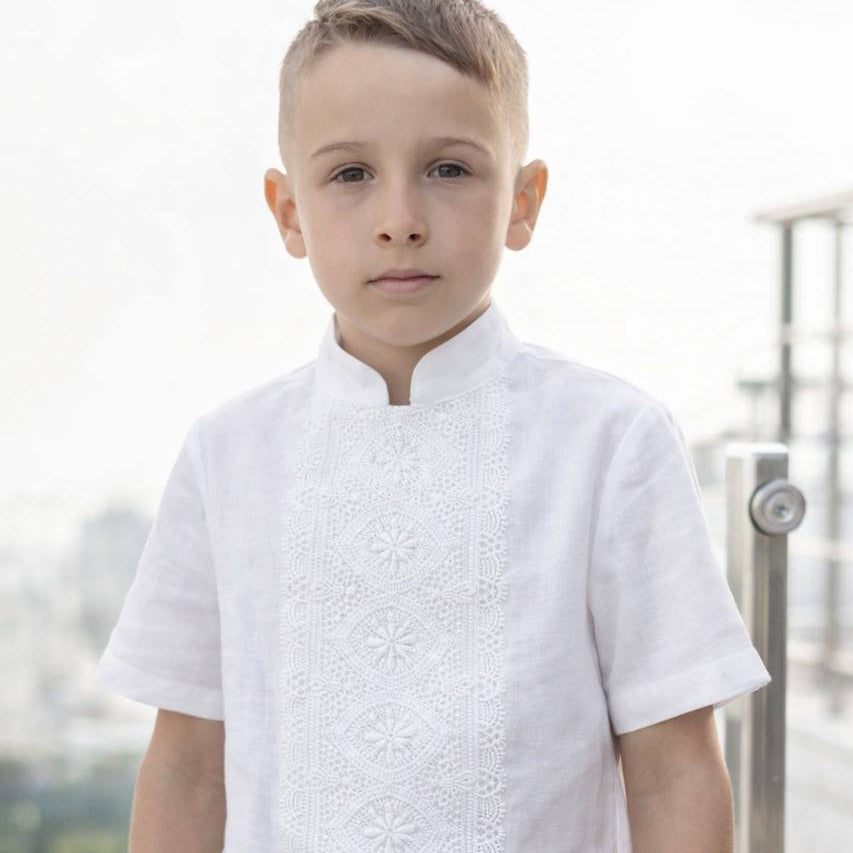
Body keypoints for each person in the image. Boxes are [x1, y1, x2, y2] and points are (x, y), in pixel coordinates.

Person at [96, 1, 771, 850]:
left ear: (523, 201)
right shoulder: (227, 454)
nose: (399, 217)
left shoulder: (611, 442)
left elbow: (671, 765)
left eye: (449, 169)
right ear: (288, 212)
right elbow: (189, 763)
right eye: (349, 174)